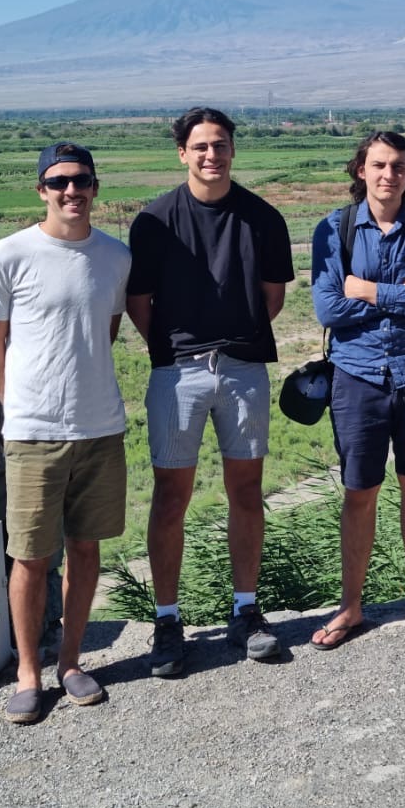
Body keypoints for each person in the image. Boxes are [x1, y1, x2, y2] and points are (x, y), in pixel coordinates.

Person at [127, 107, 293, 676]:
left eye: (220, 144)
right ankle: (167, 620)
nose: (211, 155)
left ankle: (246, 610)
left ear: (232, 149)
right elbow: (138, 302)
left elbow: (272, 298)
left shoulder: (262, 218)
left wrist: (234, 339)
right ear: (182, 153)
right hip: (178, 372)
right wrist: (175, 349)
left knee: (246, 490)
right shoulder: (154, 221)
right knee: (170, 495)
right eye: (200, 146)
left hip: (244, 368)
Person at [0, 142, 131, 724]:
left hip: (99, 426)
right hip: (34, 432)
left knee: (86, 548)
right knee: (31, 555)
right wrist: (15, 403)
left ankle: (70, 662)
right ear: (41, 189)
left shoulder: (115, 256)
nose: (71, 190)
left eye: (81, 180)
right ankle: (27, 674)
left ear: (95, 187)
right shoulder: (9, 254)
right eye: (59, 181)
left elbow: (104, 330)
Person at [309, 130, 405, 649]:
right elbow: (329, 307)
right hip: (357, 375)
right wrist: (403, 292)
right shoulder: (335, 228)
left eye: (398, 166)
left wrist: (368, 289)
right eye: (378, 165)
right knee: (360, 490)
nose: (388, 175)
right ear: (361, 170)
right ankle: (350, 605)